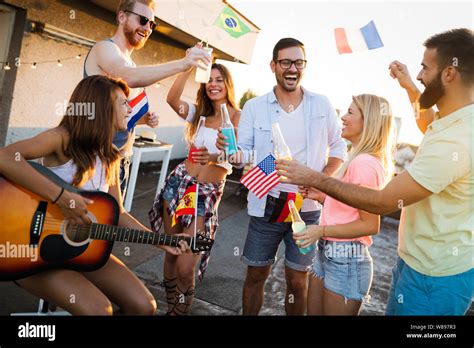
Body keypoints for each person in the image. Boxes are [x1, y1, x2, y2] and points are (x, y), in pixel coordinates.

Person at [276, 28, 474, 315]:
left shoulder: (457, 140)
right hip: (418, 263)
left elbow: (381, 203)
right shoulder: (451, 121)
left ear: (449, 74)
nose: (419, 75)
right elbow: (426, 120)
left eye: (424, 68)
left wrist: (312, 177)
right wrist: (408, 87)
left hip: (433, 276)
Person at [0, 75, 189, 315]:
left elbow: (117, 212)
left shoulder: (110, 155)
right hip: (32, 251)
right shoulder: (61, 138)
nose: (130, 108)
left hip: (81, 251)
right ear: (100, 107)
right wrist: (62, 198)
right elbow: (5, 157)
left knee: (144, 306)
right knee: (99, 311)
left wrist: (159, 240)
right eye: (123, 103)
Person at [217, 38, 347, 315]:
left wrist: (319, 179)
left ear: (304, 66)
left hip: (307, 210)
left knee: (298, 281)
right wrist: (230, 152)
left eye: (298, 62)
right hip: (267, 204)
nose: (292, 68)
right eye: (286, 62)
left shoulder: (322, 105)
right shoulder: (255, 107)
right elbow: (244, 154)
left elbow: (339, 147)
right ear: (273, 65)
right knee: (256, 274)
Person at [83, 0, 211, 196]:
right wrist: (183, 63)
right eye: (143, 20)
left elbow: (119, 116)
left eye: (152, 24)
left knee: (110, 223)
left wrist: (144, 119)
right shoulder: (105, 49)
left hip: (120, 161)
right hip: (93, 159)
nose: (147, 28)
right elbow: (127, 77)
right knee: (87, 223)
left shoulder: (132, 63)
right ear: (121, 16)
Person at [149, 56, 240, 315]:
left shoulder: (237, 115)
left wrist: (213, 157)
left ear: (228, 84)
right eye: (209, 80)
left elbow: (238, 156)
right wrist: (188, 65)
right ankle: (171, 309)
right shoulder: (198, 112)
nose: (213, 84)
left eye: (219, 80)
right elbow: (172, 100)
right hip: (179, 184)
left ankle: (180, 312)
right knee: (170, 252)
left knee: (186, 266)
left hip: (206, 194)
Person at [293, 94, 395, 315]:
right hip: (328, 252)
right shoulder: (355, 158)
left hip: (347, 259)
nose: (343, 117)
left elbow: (370, 225)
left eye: (350, 112)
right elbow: (350, 207)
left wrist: (320, 230)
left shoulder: (365, 163)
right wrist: (321, 196)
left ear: (368, 121)